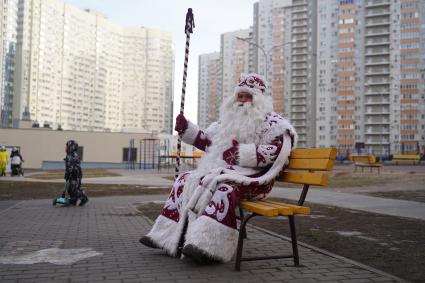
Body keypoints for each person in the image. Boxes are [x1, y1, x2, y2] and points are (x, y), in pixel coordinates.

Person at [140, 73, 297, 263]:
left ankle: (208, 246)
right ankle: (166, 237)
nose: (242, 100)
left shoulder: (275, 124)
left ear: (259, 100)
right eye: (240, 96)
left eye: (248, 96)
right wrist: (186, 129)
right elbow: (207, 142)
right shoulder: (226, 122)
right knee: (185, 179)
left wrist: (239, 153)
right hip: (223, 174)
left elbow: (278, 152)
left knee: (224, 189)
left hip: (254, 180)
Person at [64, 140, 88, 206]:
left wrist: (68, 173)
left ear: (71, 147)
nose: (65, 148)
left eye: (67, 146)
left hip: (74, 174)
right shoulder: (72, 155)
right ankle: (73, 200)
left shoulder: (71, 155)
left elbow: (71, 166)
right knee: (70, 189)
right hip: (76, 173)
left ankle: (83, 197)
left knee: (74, 188)